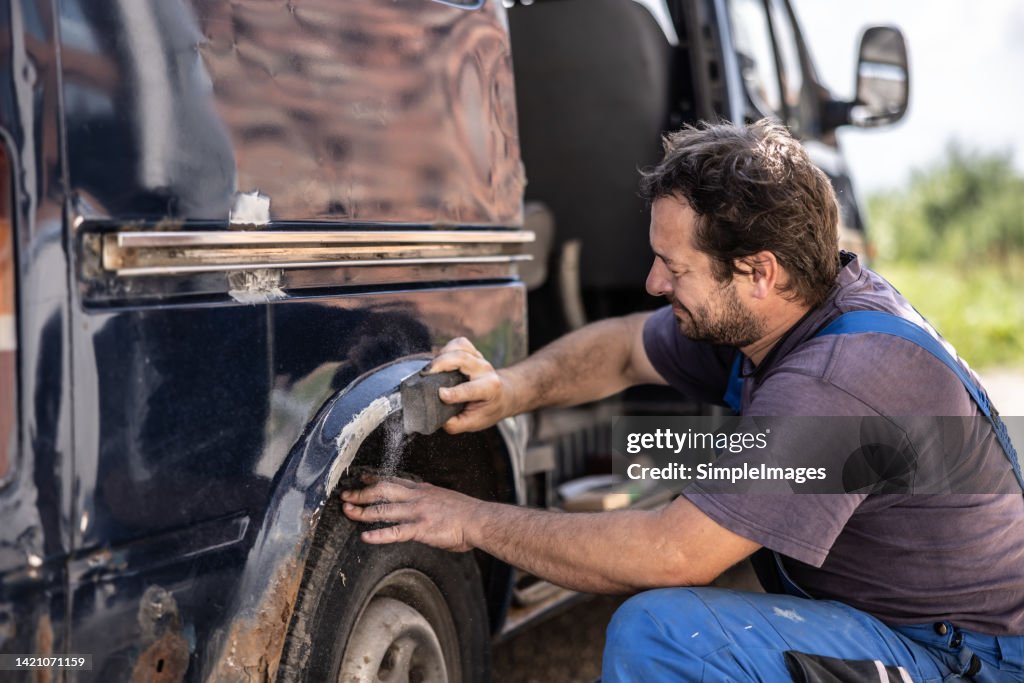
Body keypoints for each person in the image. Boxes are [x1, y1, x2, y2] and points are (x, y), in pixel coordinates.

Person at [340, 120, 1024, 681]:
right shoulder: (780, 314)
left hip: (967, 658)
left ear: (760, 271)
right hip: (916, 621)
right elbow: (624, 347)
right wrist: (511, 388)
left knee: (668, 636)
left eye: (675, 266)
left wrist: (472, 522)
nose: (652, 281)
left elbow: (672, 552)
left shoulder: (839, 379)